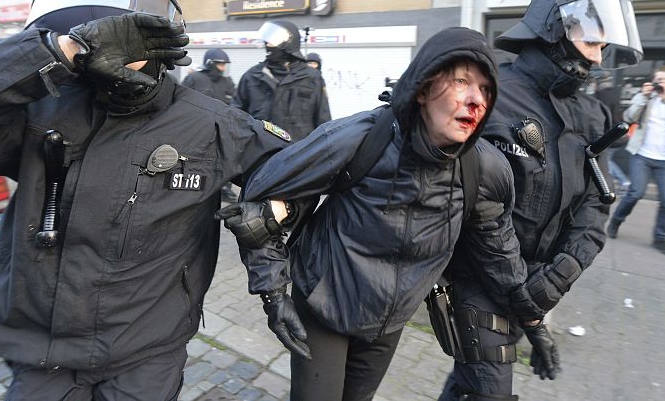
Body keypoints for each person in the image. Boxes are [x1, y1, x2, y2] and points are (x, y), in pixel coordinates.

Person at [0, 0, 290, 400]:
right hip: (40, 349)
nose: (117, 55)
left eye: (130, 40)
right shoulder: (40, 111)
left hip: (145, 349)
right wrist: (58, 50)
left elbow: (296, 176)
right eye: (101, 38)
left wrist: (272, 242)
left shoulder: (213, 124)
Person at [216, 27, 553, 400]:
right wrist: (274, 294)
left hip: (388, 322)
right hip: (324, 303)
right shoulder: (357, 138)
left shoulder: (485, 170)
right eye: (461, 82)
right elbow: (256, 207)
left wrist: (532, 317)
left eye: (486, 89)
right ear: (424, 88)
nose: (476, 100)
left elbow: (500, 253)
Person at [439, 0, 644, 400]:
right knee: (489, 391)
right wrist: (526, 298)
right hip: (478, 277)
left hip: (536, 282)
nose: (599, 57)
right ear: (555, 27)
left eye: (605, 46)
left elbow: (595, 203)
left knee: (466, 383)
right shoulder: (490, 95)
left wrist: (558, 276)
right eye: (592, 40)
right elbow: (472, 205)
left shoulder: (593, 114)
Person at [607, 66, 665, 255]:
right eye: (659, 79)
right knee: (635, 193)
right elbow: (629, 117)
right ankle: (616, 221)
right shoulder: (646, 98)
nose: (662, 82)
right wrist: (643, 97)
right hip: (642, 156)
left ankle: (660, 238)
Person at [232, 20, 330, 140]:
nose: (267, 45)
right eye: (267, 41)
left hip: (298, 152)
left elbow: (323, 120)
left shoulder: (311, 78)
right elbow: (235, 116)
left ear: (287, 43)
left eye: (272, 41)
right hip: (260, 152)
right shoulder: (252, 76)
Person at [182, 48, 239, 202]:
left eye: (224, 65)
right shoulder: (194, 79)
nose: (223, 68)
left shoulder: (227, 82)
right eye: (220, 64)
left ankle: (225, 190)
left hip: (222, 130)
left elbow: (235, 103)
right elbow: (180, 103)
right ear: (210, 63)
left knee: (223, 161)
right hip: (196, 130)